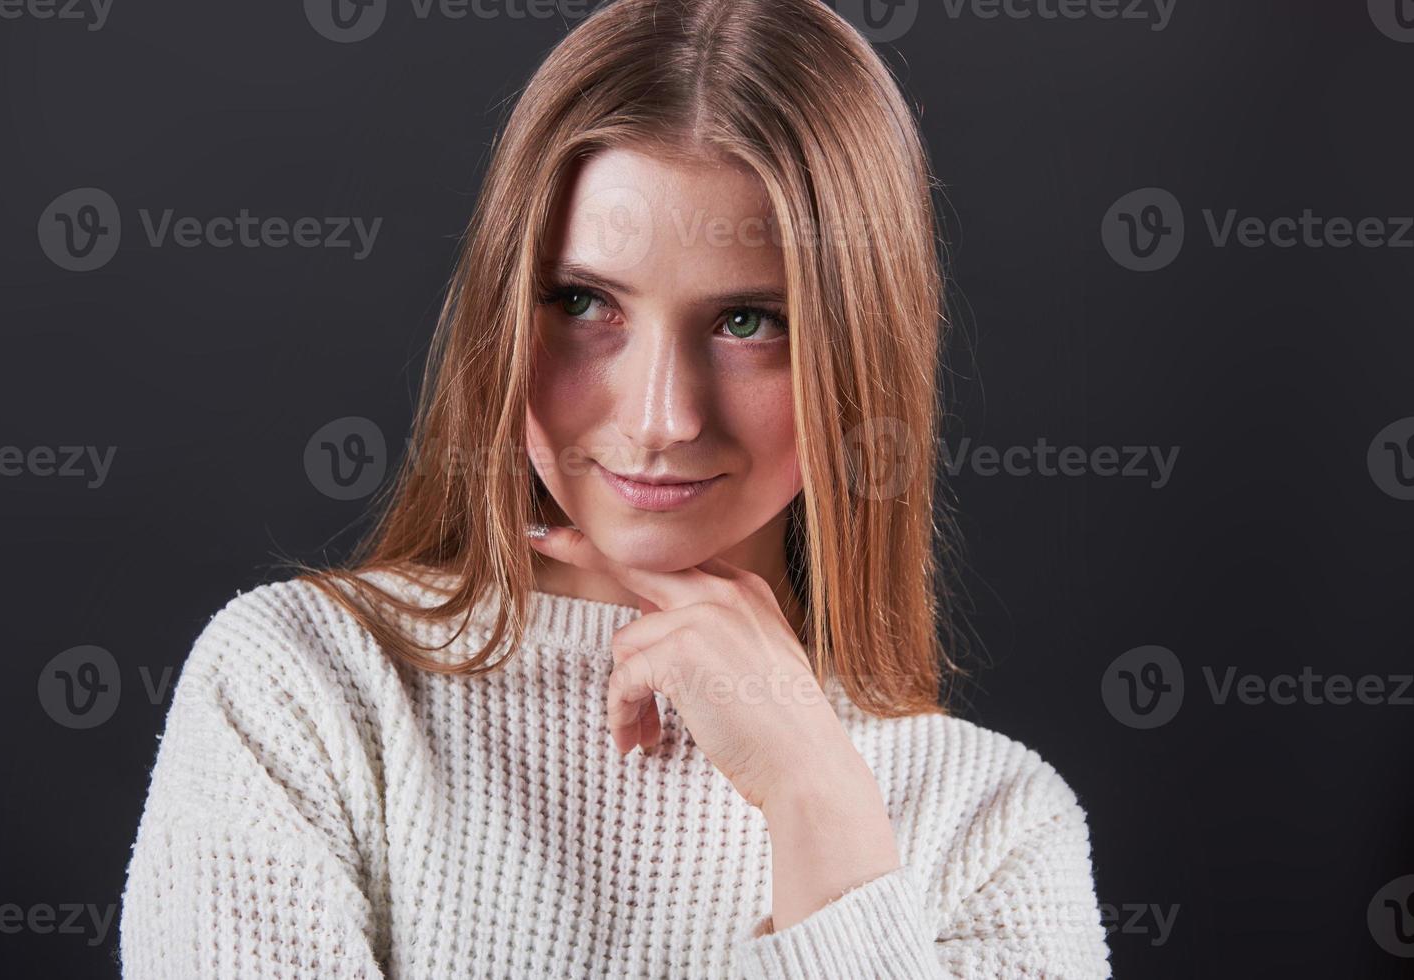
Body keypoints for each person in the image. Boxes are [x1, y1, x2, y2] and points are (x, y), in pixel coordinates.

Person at [119, 0, 1113, 976]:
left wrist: (819, 806)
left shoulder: (994, 829)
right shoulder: (302, 688)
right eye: (586, 302)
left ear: (861, 352)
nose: (657, 416)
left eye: (747, 322)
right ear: (504, 311)